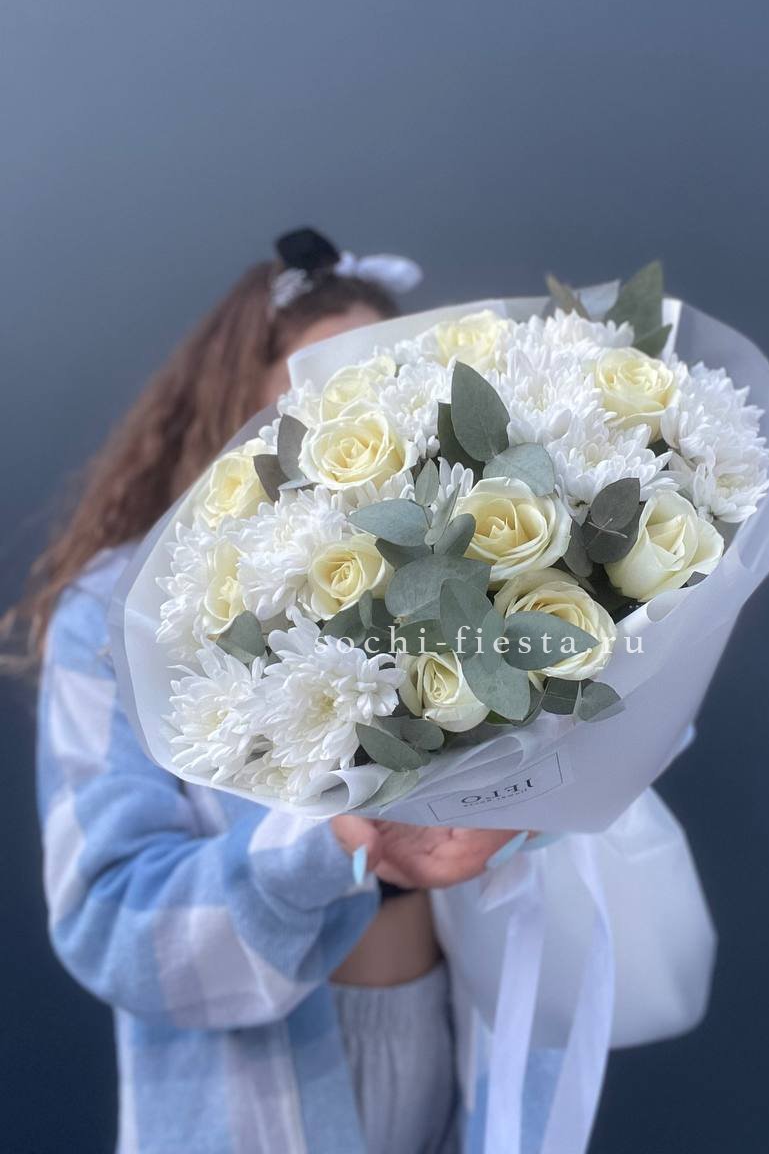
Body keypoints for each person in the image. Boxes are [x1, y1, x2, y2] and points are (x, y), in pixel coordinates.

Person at [7, 228, 524, 1154]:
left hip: (456, 1072)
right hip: (249, 1104)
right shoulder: (118, 615)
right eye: (313, 386)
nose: (349, 418)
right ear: (234, 406)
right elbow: (109, 920)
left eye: (380, 381)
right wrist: (327, 839)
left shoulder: (471, 575)